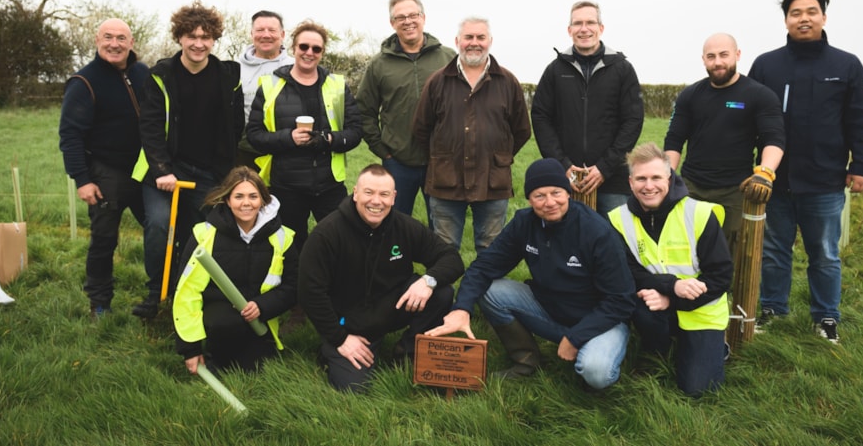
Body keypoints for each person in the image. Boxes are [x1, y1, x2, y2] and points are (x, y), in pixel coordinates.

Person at [426, 158, 634, 391]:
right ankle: (526, 361)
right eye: (539, 195)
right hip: (550, 309)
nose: (549, 202)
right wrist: (462, 308)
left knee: (596, 372)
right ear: (529, 199)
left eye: (556, 193)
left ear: (568, 193)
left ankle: (593, 353)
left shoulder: (597, 231)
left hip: (601, 320)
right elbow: (483, 267)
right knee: (490, 290)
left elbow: (621, 300)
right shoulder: (524, 223)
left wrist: (576, 337)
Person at [748, 0, 863, 344]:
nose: (803, 19)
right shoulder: (766, 65)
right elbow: (749, 119)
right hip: (775, 179)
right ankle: (773, 308)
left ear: (823, 17)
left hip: (825, 178)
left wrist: (861, 165)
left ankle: (826, 316)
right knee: (774, 250)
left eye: (811, 12)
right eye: (796, 13)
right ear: (786, 20)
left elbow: (858, 120)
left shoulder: (846, 65)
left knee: (825, 253)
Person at [298, 165, 464, 392]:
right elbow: (309, 291)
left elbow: (451, 259)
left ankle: (407, 351)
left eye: (384, 194)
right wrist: (340, 339)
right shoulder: (327, 233)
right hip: (349, 324)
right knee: (355, 388)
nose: (376, 201)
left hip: (392, 307)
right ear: (355, 193)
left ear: (393, 197)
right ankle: (330, 351)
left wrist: (428, 280)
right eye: (369, 192)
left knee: (442, 292)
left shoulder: (404, 226)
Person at [134, 0, 244, 319]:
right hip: (164, 171)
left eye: (205, 37)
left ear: (214, 39)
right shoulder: (161, 75)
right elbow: (150, 127)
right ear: (179, 37)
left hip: (208, 173)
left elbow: (234, 126)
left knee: (200, 235)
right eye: (192, 36)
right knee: (159, 225)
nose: (198, 43)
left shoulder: (228, 76)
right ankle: (156, 294)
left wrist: (224, 172)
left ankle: (188, 295)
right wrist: (162, 170)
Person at [608, 143, 732, 397]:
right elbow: (627, 272)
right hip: (655, 304)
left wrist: (672, 299)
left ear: (670, 178)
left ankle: (711, 346)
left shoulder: (699, 213)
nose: (648, 186)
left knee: (699, 390)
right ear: (630, 182)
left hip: (701, 309)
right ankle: (656, 349)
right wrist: (672, 286)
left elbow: (721, 277)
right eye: (641, 179)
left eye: (656, 178)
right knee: (640, 305)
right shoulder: (618, 219)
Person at [412, 16, 531, 253]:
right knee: (444, 250)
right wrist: (442, 157)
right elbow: (421, 129)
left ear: (490, 41)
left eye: (480, 37)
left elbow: (521, 130)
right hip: (446, 181)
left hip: (493, 182)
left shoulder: (507, 81)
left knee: (491, 249)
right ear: (458, 41)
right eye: (468, 37)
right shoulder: (438, 81)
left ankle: (484, 281)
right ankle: (446, 280)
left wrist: (499, 156)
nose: (474, 42)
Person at [246, 19, 362, 256]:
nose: (309, 53)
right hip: (286, 185)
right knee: (290, 249)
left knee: (341, 243)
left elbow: (355, 132)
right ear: (293, 48)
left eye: (316, 48)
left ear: (322, 52)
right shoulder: (270, 85)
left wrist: (328, 139)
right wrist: (288, 138)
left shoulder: (337, 85)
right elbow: (254, 135)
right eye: (304, 47)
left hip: (329, 184)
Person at [59, 19, 151, 318]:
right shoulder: (84, 82)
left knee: (160, 233)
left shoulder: (143, 73)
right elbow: (70, 135)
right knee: (104, 240)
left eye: (121, 38)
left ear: (131, 42)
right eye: (108, 37)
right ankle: (100, 303)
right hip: (106, 174)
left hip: (146, 172)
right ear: (97, 40)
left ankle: (160, 295)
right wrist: (82, 179)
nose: (114, 44)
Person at [663, 33, 785, 249]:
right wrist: (667, 176)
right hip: (692, 187)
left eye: (724, 55)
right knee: (687, 248)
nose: (717, 62)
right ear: (703, 59)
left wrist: (765, 172)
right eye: (711, 56)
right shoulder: (689, 95)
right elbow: (674, 140)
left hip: (735, 191)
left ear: (737, 55)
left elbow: (774, 138)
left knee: (731, 252)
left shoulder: (760, 95)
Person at [173, 166, 298, 374]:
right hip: (220, 317)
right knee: (224, 327)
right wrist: (190, 349)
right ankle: (215, 354)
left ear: (263, 200)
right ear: (227, 200)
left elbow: (293, 286)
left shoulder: (282, 237)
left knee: (258, 369)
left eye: (253, 196)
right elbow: (186, 292)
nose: (246, 203)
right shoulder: (203, 234)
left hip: (260, 318)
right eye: (238, 196)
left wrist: (262, 305)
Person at [531, 0, 645, 216]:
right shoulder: (555, 70)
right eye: (578, 23)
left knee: (615, 235)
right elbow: (540, 117)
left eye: (590, 23)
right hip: (568, 180)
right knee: (570, 235)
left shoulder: (622, 69)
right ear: (569, 30)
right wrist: (563, 165)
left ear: (601, 28)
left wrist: (604, 167)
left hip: (613, 180)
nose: (584, 29)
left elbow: (633, 120)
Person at [356, 0, 456, 219]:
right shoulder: (379, 64)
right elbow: (364, 111)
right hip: (398, 163)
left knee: (443, 226)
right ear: (392, 23)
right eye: (400, 17)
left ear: (423, 18)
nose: (408, 21)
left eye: (413, 15)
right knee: (394, 224)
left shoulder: (448, 58)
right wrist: (383, 151)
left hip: (441, 161)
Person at [236, 10, 295, 169]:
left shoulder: (295, 67)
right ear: (251, 34)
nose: (266, 35)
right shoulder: (235, 69)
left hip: (286, 151)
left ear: (282, 34)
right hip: (243, 152)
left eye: (272, 30)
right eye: (260, 30)